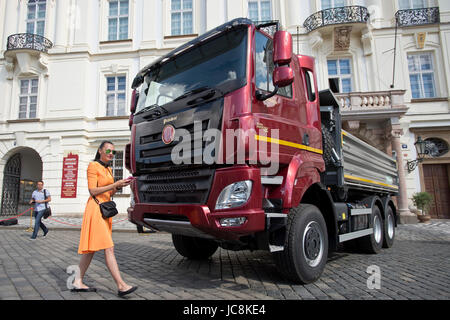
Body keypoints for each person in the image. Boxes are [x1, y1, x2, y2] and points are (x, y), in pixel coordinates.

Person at [72, 141, 137, 297]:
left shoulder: (108, 169)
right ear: (100, 150)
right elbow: (92, 190)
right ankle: (121, 285)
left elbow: (111, 190)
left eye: (113, 152)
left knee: (91, 250)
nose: (110, 154)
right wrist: (114, 184)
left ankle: (77, 281)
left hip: (105, 211)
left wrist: (120, 185)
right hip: (96, 210)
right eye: (108, 150)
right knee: (109, 247)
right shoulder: (93, 166)